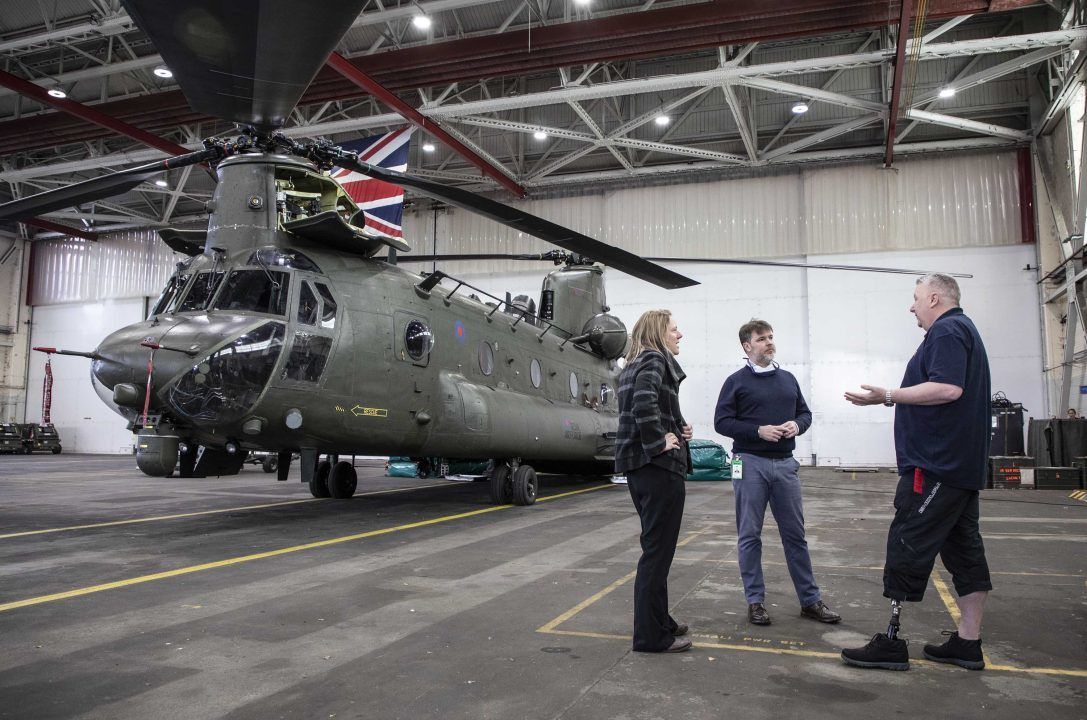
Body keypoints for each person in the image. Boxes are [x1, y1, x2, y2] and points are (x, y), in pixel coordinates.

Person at [842, 273, 992, 671]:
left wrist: (887, 396)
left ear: (935, 298)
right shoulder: (963, 330)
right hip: (958, 467)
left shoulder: (947, 330)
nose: (912, 307)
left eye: (915, 298)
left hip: (936, 466)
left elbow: (947, 389)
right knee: (965, 553)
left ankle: (891, 642)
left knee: (908, 542)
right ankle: (968, 642)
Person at [714, 319, 841, 627]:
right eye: (762, 338)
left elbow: (805, 413)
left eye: (771, 337)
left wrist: (797, 425)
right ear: (747, 346)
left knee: (795, 536)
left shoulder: (787, 379)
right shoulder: (736, 382)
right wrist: (758, 431)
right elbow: (722, 422)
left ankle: (810, 601)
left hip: (785, 465)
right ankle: (755, 602)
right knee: (750, 536)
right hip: (749, 463)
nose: (769, 342)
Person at [615, 309, 694, 653]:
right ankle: (650, 636)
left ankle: (661, 622)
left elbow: (650, 403)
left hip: (640, 467)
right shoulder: (654, 358)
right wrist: (659, 442)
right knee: (657, 554)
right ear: (658, 333)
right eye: (675, 330)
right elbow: (644, 401)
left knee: (656, 550)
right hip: (657, 467)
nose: (680, 335)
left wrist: (678, 428)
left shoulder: (636, 362)